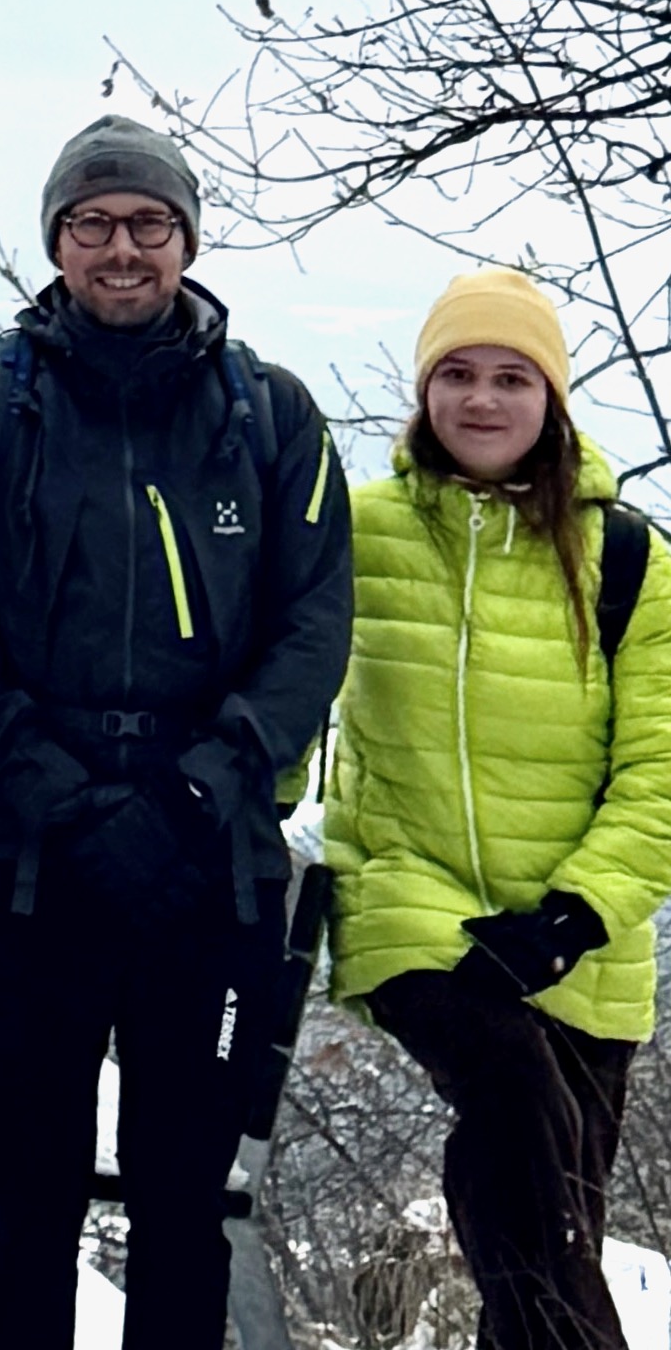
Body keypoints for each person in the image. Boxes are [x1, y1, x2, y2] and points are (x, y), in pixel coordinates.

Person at [0, 114, 353, 1350]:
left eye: (149, 223)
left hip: (214, 868)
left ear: (188, 241)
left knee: (184, 1209)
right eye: (92, 223)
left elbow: (315, 625)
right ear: (56, 242)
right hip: (29, 858)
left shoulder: (269, 413)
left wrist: (207, 785)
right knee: (26, 1198)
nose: (122, 248)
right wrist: (45, 781)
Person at [326, 270, 671, 1350]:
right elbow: (279, 688)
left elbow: (661, 771)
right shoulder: (357, 532)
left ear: (552, 397)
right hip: (410, 903)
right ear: (425, 390)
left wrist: (574, 917)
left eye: (512, 378)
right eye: (458, 374)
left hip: (581, 942)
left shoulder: (627, 558)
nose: (481, 400)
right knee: (515, 1096)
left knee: (549, 1219)